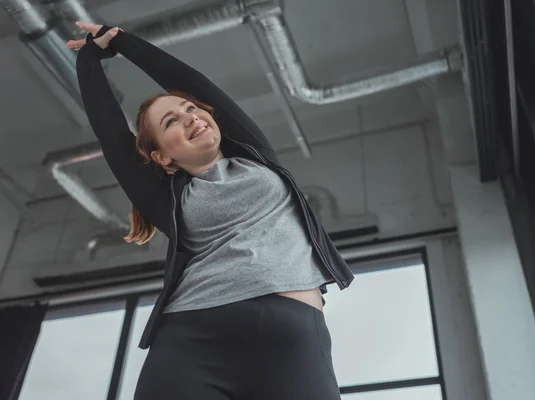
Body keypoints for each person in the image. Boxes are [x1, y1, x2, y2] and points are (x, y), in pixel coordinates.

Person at [67, 22, 354, 400]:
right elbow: (110, 132)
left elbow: (194, 83)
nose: (190, 117)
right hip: (191, 337)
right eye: (171, 122)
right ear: (162, 156)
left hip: (290, 331)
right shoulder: (164, 199)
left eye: (190, 109)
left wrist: (121, 41)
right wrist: (88, 60)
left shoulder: (257, 158)